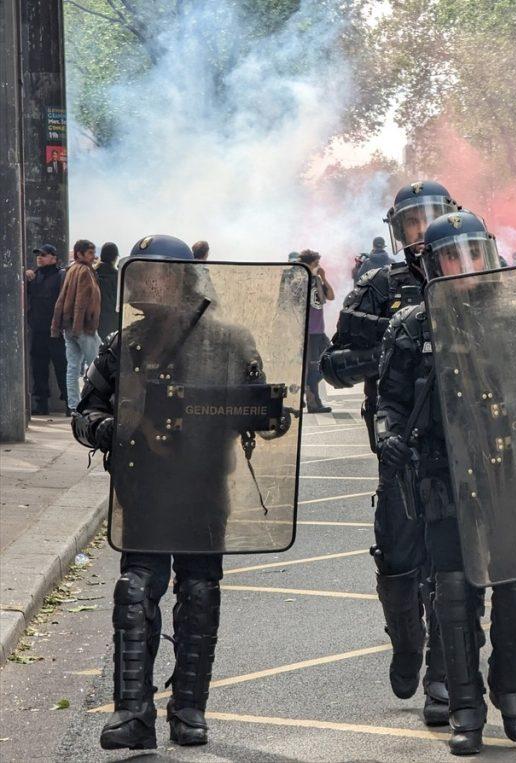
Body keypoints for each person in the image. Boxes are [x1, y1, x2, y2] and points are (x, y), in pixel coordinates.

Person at [72, 234, 277, 750]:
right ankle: (132, 712)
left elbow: (261, 410)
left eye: (156, 274)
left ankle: (188, 708)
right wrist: (109, 429)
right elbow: (85, 413)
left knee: (200, 593)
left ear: (183, 279)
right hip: (143, 489)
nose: (145, 284)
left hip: (203, 488)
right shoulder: (125, 344)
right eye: (140, 275)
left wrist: (267, 414)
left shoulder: (230, 341)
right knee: (135, 591)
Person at [376, 211, 516, 755]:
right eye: (452, 255)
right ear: (430, 264)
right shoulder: (411, 326)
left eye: (473, 252)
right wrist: (387, 434)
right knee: (452, 592)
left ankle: (511, 690)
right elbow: (390, 402)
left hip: (509, 473)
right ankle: (466, 709)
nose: (465, 265)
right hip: (443, 478)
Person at [320, 180, 460, 728]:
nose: (422, 231)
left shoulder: (474, 273)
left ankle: (443, 677)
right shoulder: (379, 287)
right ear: (398, 231)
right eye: (411, 222)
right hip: (399, 443)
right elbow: (334, 365)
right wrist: (393, 347)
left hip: (463, 443)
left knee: (453, 565)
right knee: (401, 557)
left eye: (431, 219)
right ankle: (406, 644)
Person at [51, 239, 101, 411]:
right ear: (80, 254)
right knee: (97, 366)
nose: (94, 256)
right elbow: (81, 301)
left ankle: (74, 404)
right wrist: (80, 326)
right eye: (90, 253)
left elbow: (62, 299)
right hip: (83, 326)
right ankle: (94, 403)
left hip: (69, 325)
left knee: (72, 367)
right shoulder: (85, 271)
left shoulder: (71, 269)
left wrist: (60, 325)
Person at [25, 243, 68, 415]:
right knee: (39, 369)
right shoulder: (34, 276)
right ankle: (41, 404)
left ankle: (69, 403)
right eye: (38, 254)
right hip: (38, 330)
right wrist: (25, 275)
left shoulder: (60, 275)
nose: (39, 257)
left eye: (43, 254)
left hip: (56, 331)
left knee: (62, 368)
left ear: (54, 258)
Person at [298, 249, 334, 413]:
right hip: (308, 332)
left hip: (319, 331)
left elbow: (330, 297)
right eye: (316, 264)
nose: (318, 267)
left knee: (327, 361)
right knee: (313, 367)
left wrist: (323, 278)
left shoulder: (318, 280)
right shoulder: (299, 280)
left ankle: (306, 390)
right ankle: (313, 401)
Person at [96, 242, 120, 340]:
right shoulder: (118, 276)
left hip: (94, 320)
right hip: (112, 320)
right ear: (115, 258)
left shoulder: (92, 273)